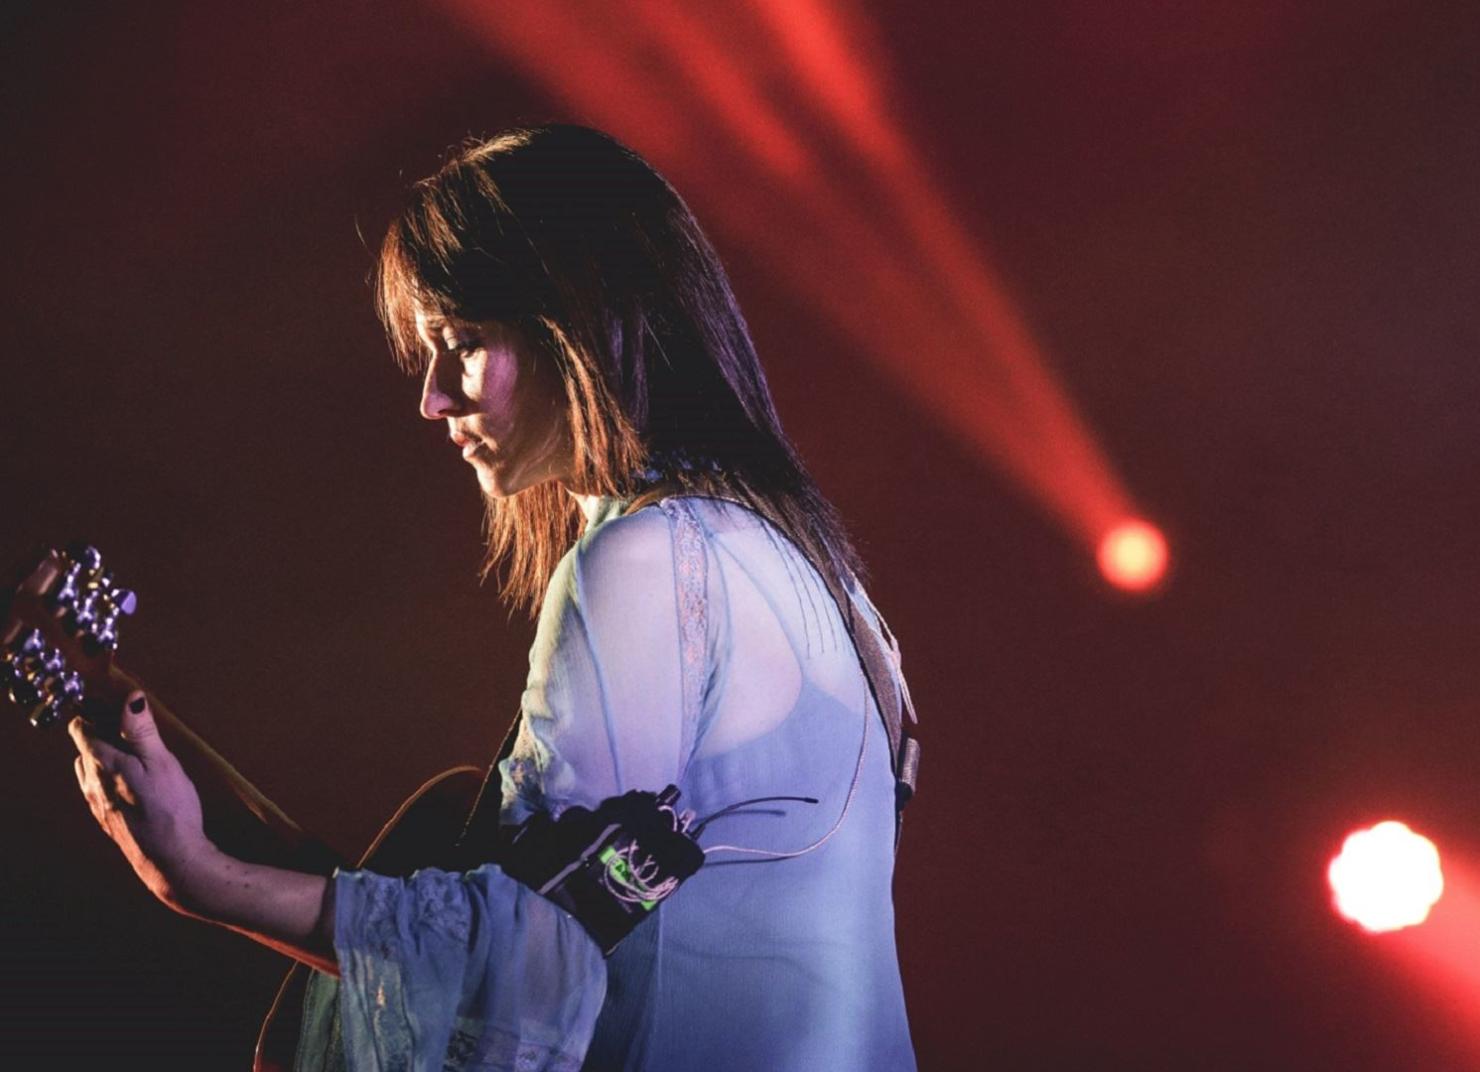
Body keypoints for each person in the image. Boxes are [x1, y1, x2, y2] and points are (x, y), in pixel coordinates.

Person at [67, 124, 918, 1070]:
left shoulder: (646, 558)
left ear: (580, 324)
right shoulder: (811, 566)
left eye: (462, 343)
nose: (433, 396)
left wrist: (206, 877)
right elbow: (603, 901)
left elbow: (531, 958)